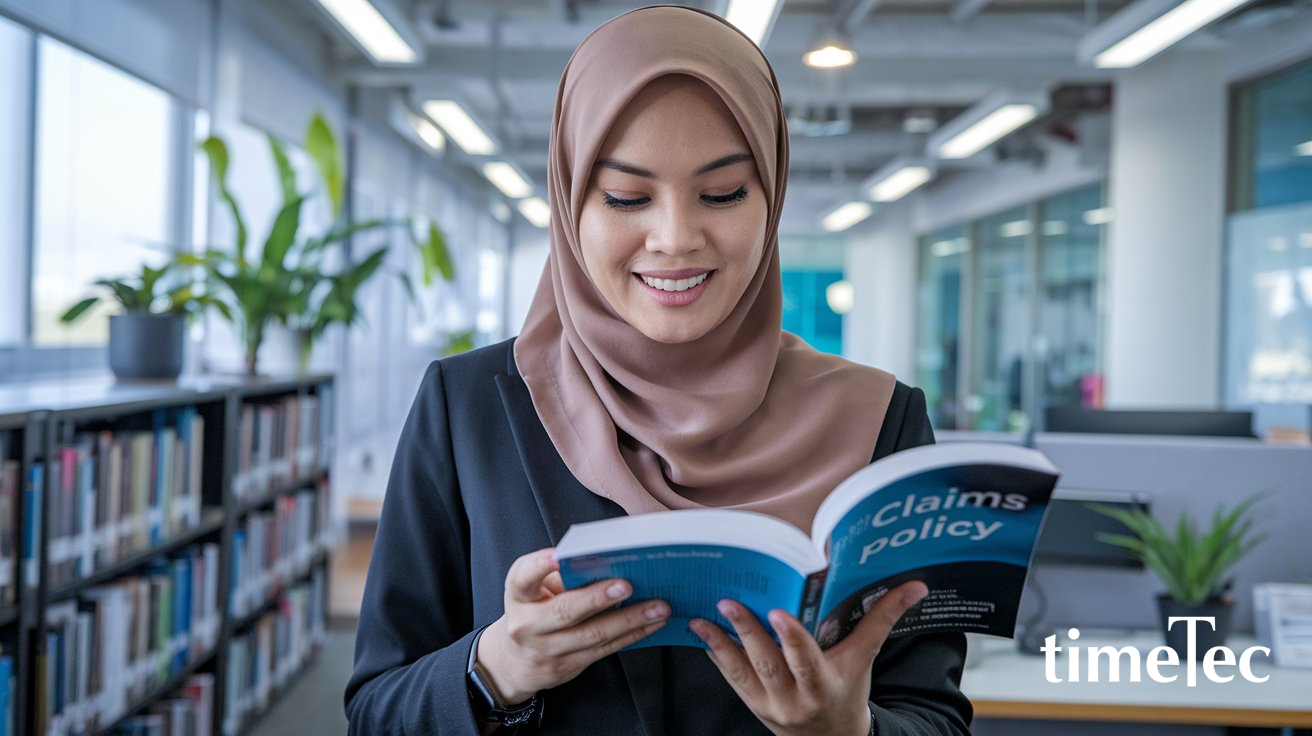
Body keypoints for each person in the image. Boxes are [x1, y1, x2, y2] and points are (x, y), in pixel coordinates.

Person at [344, 6, 972, 735]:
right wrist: (495, 669)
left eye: (725, 192)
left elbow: (935, 718)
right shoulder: (467, 408)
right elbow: (374, 713)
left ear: (771, 196)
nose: (676, 238)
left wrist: (847, 731)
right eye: (625, 197)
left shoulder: (880, 422)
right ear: (570, 202)